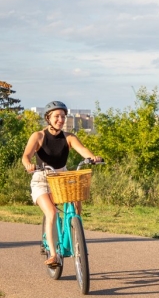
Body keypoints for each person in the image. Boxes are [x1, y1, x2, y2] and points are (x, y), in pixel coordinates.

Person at [22, 101, 103, 266]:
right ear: (48, 118)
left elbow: (83, 150)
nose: (61, 119)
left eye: (63, 116)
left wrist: (92, 157)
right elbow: (26, 156)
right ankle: (53, 255)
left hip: (61, 178)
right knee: (51, 212)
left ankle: (74, 233)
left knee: (76, 204)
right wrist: (28, 165)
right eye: (57, 116)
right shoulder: (38, 136)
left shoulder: (69, 137)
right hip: (41, 179)